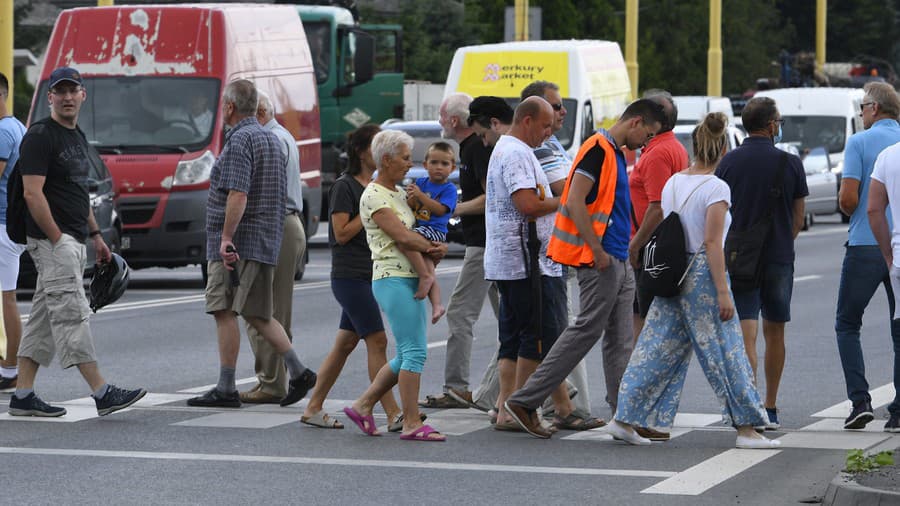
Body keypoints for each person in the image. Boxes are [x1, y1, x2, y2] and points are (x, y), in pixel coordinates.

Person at [608, 113, 781, 450]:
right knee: (726, 352)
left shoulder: (674, 182)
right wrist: (722, 292)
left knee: (655, 349)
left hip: (671, 274)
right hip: (701, 275)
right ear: (723, 149)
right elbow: (712, 243)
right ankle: (747, 428)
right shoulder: (716, 187)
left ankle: (624, 417)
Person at [504, 99, 664, 438]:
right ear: (635, 122)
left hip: (618, 256)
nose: (645, 143)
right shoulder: (597, 149)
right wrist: (596, 249)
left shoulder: (615, 152)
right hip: (600, 257)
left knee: (620, 340)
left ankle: (625, 415)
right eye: (647, 134)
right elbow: (574, 200)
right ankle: (524, 400)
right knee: (586, 331)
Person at [9, 66, 146, 417]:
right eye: (61, 91)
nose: (68, 97)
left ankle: (22, 395)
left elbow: (78, 192)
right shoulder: (41, 136)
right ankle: (102, 393)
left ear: (83, 95)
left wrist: (97, 236)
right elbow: (32, 192)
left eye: (73, 91)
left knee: (42, 319)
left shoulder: (76, 136)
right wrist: (56, 238)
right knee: (71, 317)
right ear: (50, 97)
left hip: (73, 241)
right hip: (53, 242)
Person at [187, 79, 316, 409]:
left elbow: (238, 193)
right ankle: (298, 370)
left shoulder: (240, 139)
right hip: (264, 238)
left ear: (229, 107)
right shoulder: (270, 139)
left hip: (238, 243)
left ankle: (226, 387)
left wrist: (226, 238)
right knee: (259, 313)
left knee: (223, 309)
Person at [344, 129, 448, 441]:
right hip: (392, 278)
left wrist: (433, 248)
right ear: (386, 160)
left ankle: (363, 405)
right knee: (415, 351)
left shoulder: (400, 193)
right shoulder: (373, 195)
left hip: (409, 277)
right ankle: (412, 422)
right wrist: (432, 249)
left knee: (406, 353)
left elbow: (425, 225)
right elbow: (401, 236)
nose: (410, 163)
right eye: (405, 157)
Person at [300, 125, 404, 431]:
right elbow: (342, 233)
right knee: (378, 340)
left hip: (372, 272)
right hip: (350, 275)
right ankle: (393, 412)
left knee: (345, 343)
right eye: (377, 147)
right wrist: (369, 209)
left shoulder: (375, 187)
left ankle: (313, 407)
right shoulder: (345, 187)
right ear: (362, 152)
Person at [716, 96, 808, 430]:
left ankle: (748, 404)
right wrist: (783, 239)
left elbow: (721, 212)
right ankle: (770, 405)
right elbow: (799, 217)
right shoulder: (790, 163)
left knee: (746, 332)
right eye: (779, 122)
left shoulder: (729, 163)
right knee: (776, 330)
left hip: (740, 257)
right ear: (771, 126)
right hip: (779, 256)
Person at [485, 97, 572, 432]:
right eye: (545, 125)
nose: (548, 134)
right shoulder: (518, 153)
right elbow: (528, 204)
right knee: (535, 338)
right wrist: (566, 200)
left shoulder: (509, 149)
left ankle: (507, 410)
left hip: (513, 260)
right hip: (526, 262)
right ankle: (523, 407)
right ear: (527, 120)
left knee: (513, 337)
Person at [419, 93, 500, 411]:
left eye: (441, 116)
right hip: (488, 243)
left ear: (454, 120)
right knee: (510, 320)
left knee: (459, 313)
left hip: (483, 244)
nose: (440, 122)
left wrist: (450, 209)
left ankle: (457, 388)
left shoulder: (476, 148)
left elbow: (490, 196)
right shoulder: (472, 148)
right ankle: (541, 388)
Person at [520, 80, 592, 419]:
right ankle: (562, 405)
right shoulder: (539, 149)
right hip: (544, 251)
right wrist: (580, 194)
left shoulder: (550, 146)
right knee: (556, 329)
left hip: (552, 250)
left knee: (534, 332)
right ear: (532, 115)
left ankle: (510, 401)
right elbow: (553, 197)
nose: (562, 113)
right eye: (555, 108)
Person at [238, 91, 308, 405]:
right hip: (287, 222)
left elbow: (265, 189)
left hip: (276, 224)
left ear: (261, 112)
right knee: (273, 310)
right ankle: (275, 380)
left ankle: (273, 382)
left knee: (262, 310)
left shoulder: (271, 141)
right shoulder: (283, 136)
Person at [628, 90, 689, 339]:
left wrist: (635, 245)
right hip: (659, 244)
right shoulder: (672, 147)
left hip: (651, 247)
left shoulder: (658, 154)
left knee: (645, 322)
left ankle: (640, 375)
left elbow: (657, 207)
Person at [857, 85, 900, 433]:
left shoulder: (889, 156)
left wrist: (888, 252)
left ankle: (899, 412)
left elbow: (873, 209)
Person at [403, 141, 458, 323]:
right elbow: (412, 206)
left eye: (444, 164)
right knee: (427, 266)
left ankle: (425, 277)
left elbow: (441, 210)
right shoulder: (420, 182)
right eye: (434, 163)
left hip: (434, 230)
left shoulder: (448, 189)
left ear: (452, 168)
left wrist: (420, 196)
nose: (438, 168)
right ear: (425, 165)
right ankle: (437, 305)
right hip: (421, 227)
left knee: (406, 241)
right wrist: (412, 197)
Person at [0, 72, 26, 391]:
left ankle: (10, 368)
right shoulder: (18, 127)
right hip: (11, 225)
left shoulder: (4, 133)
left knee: (8, 299)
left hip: (3, 225)